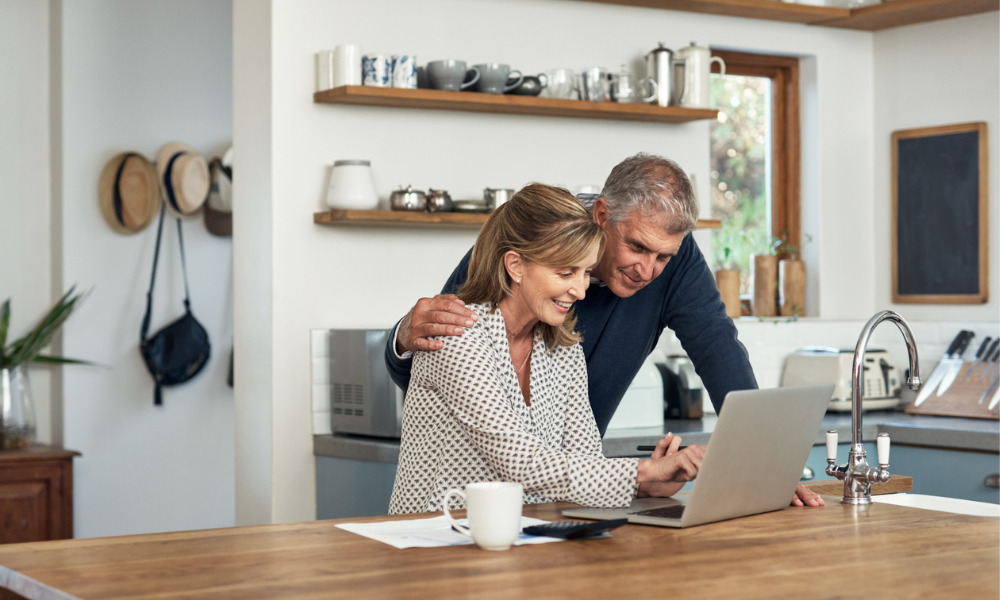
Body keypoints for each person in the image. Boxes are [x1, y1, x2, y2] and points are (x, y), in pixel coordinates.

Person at [385, 153, 822, 508]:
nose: (648, 270)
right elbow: (439, 342)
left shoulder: (564, 341)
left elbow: (716, 346)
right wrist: (405, 337)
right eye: (637, 247)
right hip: (440, 524)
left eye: (663, 257)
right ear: (601, 215)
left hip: (537, 517)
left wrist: (765, 465)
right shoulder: (527, 243)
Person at [388, 183, 706, 514]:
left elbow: (583, 465)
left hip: (523, 541)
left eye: (585, 272)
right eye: (565, 272)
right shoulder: (459, 336)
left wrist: (645, 486)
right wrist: (644, 471)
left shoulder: (562, 346)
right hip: (433, 540)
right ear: (516, 266)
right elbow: (520, 461)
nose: (581, 291)